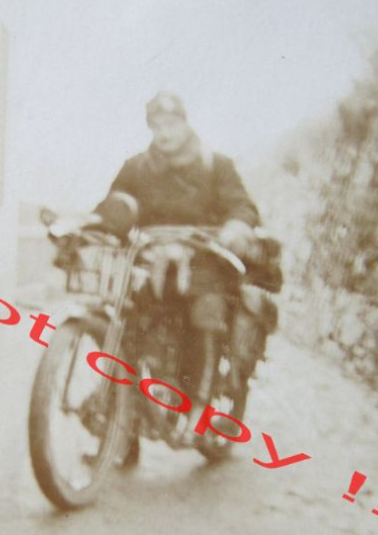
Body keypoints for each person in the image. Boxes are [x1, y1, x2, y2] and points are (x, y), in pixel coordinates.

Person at [94, 90, 278, 400]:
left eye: (171, 123)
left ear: (184, 124)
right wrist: (96, 221)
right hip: (149, 261)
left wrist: (235, 227)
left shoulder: (215, 165)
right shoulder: (136, 168)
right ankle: (123, 414)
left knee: (206, 308)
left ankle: (199, 401)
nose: (164, 132)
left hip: (203, 261)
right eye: (157, 125)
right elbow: (112, 206)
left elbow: (241, 205)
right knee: (127, 318)